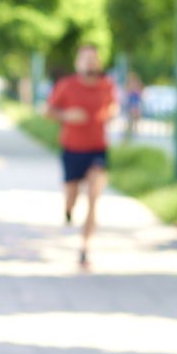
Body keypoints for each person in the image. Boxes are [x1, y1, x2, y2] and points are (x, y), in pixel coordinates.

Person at [46, 45, 118, 267]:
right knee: (72, 194)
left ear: (98, 63)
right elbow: (48, 111)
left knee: (94, 195)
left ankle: (85, 249)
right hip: (72, 148)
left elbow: (113, 106)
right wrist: (67, 115)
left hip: (97, 148)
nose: (89, 63)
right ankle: (68, 208)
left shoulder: (107, 85)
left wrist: (110, 114)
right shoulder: (66, 85)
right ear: (78, 63)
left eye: (93, 59)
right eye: (85, 59)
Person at [122, 72, 144, 141]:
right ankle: (128, 134)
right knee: (130, 121)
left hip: (135, 106)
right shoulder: (129, 89)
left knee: (134, 120)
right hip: (131, 106)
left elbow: (140, 97)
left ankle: (132, 132)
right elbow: (127, 96)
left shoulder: (137, 89)